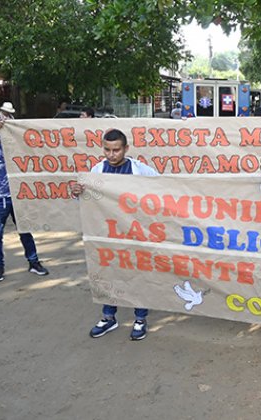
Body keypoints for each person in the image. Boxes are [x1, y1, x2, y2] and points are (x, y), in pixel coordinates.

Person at [70, 129, 159, 341]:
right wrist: (77, 193)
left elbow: (160, 190)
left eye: (116, 150)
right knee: (109, 272)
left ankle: (140, 318)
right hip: (107, 234)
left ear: (126, 149)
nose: (111, 155)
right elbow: (87, 202)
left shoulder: (141, 170)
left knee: (139, 273)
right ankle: (109, 317)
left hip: (135, 234)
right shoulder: (97, 171)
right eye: (107, 150)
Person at [0, 116, 49, 282]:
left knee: (25, 229)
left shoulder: (6, 140)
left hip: (17, 194)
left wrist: (9, 124)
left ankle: (33, 262)